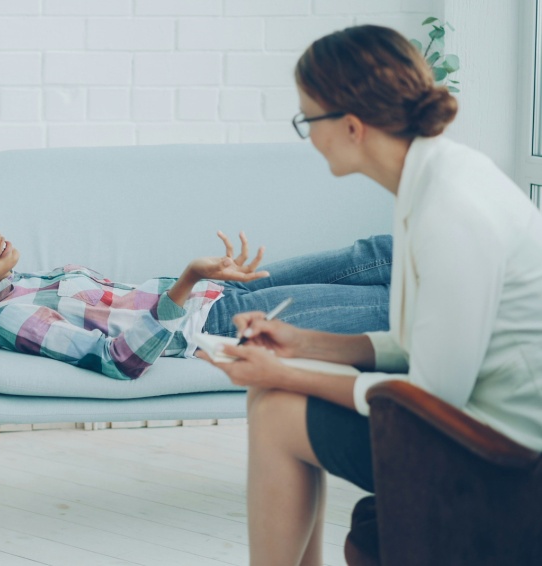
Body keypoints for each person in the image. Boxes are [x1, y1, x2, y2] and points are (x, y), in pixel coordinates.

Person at [200, 25, 542, 566]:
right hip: (474, 421)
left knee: (276, 410)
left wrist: (286, 373)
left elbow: (433, 395)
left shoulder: (451, 209)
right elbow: (414, 346)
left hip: (505, 456)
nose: (309, 137)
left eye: (307, 120)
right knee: (270, 394)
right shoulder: (430, 179)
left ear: (352, 126)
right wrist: (302, 344)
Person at [0, 211, 392, 381]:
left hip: (217, 291)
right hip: (215, 321)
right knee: (384, 307)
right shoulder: (10, 318)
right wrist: (186, 282)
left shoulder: (21, 282)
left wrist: (201, 281)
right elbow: (117, 360)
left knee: (371, 254)